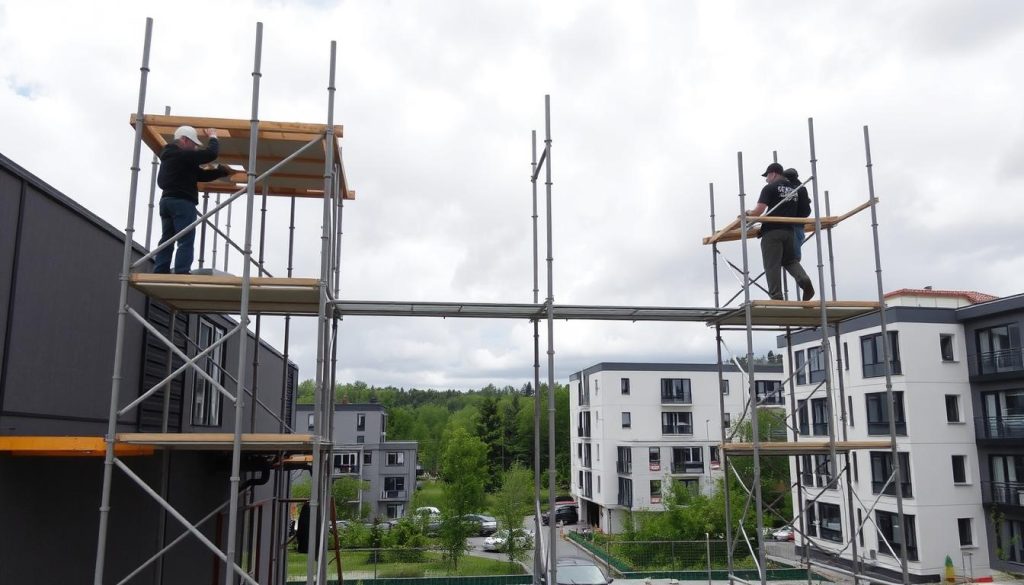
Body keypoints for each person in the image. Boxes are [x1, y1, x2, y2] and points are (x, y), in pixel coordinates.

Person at [153, 126, 232, 274]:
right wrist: (213, 137)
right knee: (185, 239)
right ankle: (182, 271)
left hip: (166, 202)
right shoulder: (183, 155)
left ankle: (160, 270)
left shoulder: (171, 157)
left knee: (167, 239)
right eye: (193, 144)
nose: (195, 148)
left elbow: (200, 175)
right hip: (182, 202)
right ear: (184, 140)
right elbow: (210, 154)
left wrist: (221, 172)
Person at [745, 162, 814, 301]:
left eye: (767, 176)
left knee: (772, 265)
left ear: (773, 173)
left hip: (772, 232)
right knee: (789, 261)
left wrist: (747, 214)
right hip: (789, 231)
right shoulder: (795, 189)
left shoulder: (769, 188)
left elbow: (758, 212)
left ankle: (776, 296)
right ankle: (804, 280)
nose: (766, 179)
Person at [783, 167, 811, 261]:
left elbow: (805, 210)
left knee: (793, 258)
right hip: (799, 226)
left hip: (794, 226)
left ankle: (800, 275)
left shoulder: (792, 189)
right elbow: (807, 210)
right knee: (793, 257)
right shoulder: (802, 188)